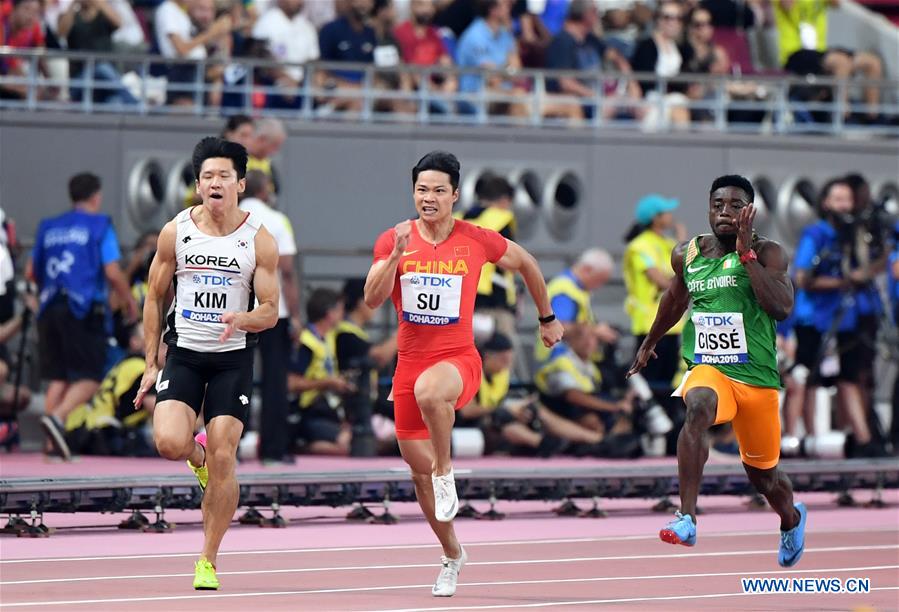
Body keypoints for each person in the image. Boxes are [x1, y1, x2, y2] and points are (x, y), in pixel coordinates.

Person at [363, 150, 563, 597]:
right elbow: (373, 299)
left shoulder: (477, 239)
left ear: (455, 195)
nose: (428, 198)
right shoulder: (394, 238)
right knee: (417, 474)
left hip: (459, 361)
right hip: (408, 366)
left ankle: (446, 469)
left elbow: (528, 263)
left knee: (433, 394)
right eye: (421, 190)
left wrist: (547, 318)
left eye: (438, 191)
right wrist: (394, 258)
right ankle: (452, 553)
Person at [628, 174, 807, 567]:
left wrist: (746, 256)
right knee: (698, 408)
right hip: (710, 368)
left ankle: (791, 518)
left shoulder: (770, 253)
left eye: (735, 205)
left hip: (756, 379)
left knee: (765, 479)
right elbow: (675, 298)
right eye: (718, 205)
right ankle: (687, 516)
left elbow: (781, 307)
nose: (725, 213)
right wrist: (650, 341)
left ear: (750, 211)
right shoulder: (687, 254)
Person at [133, 137, 280, 590]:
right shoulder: (175, 232)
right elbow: (155, 296)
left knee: (225, 456)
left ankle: (207, 560)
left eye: (224, 176)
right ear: (198, 186)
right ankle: (194, 456)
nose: (215, 184)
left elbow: (272, 310)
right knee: (168, 443)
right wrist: (149, 362)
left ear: (241, 183)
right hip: (184, 355)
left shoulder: (259, 239)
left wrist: (244, 317)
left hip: (232, 360)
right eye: (208, 177)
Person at [29, 172, 138, 461]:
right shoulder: (99, 225)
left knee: (59, 376)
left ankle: (51, 446)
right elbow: (113, 272)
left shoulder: (48, 227)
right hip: (83, 309)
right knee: (91, 376)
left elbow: (31, 272)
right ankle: (59, 418)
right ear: (95, 196)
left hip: (49, 306)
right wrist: (129, 302)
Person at [239, 169, 301, 464]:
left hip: (236, 309)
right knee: (275, 381)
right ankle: (273, 451)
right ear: (266, 191)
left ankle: (229, 448)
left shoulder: (229, 218)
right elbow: (286, 271)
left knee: (234, 377)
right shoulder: (277, 221)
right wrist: (296, 314)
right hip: (274, 310)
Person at [622, 194, 687, 399]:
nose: (671, 215)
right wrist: (679, 280)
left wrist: (681, 242)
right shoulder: (640, 246)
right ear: (655, 217)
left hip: (673, 323)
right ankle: (645, 425)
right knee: (650, 382)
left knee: (667, 381)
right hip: (650, 323)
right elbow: (661, 280)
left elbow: (686, 269)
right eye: (666, 212)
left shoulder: (668, 243)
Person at [287, 287, 355, 456]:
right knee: (349, 444)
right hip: (309, 411)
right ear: (329, 313)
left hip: (329, 409)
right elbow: (291, 383)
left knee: (360, 439)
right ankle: (298, 446)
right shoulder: (306, 342)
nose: (343, 314)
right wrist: (328, 383)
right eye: (340, 309)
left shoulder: (329, 336)